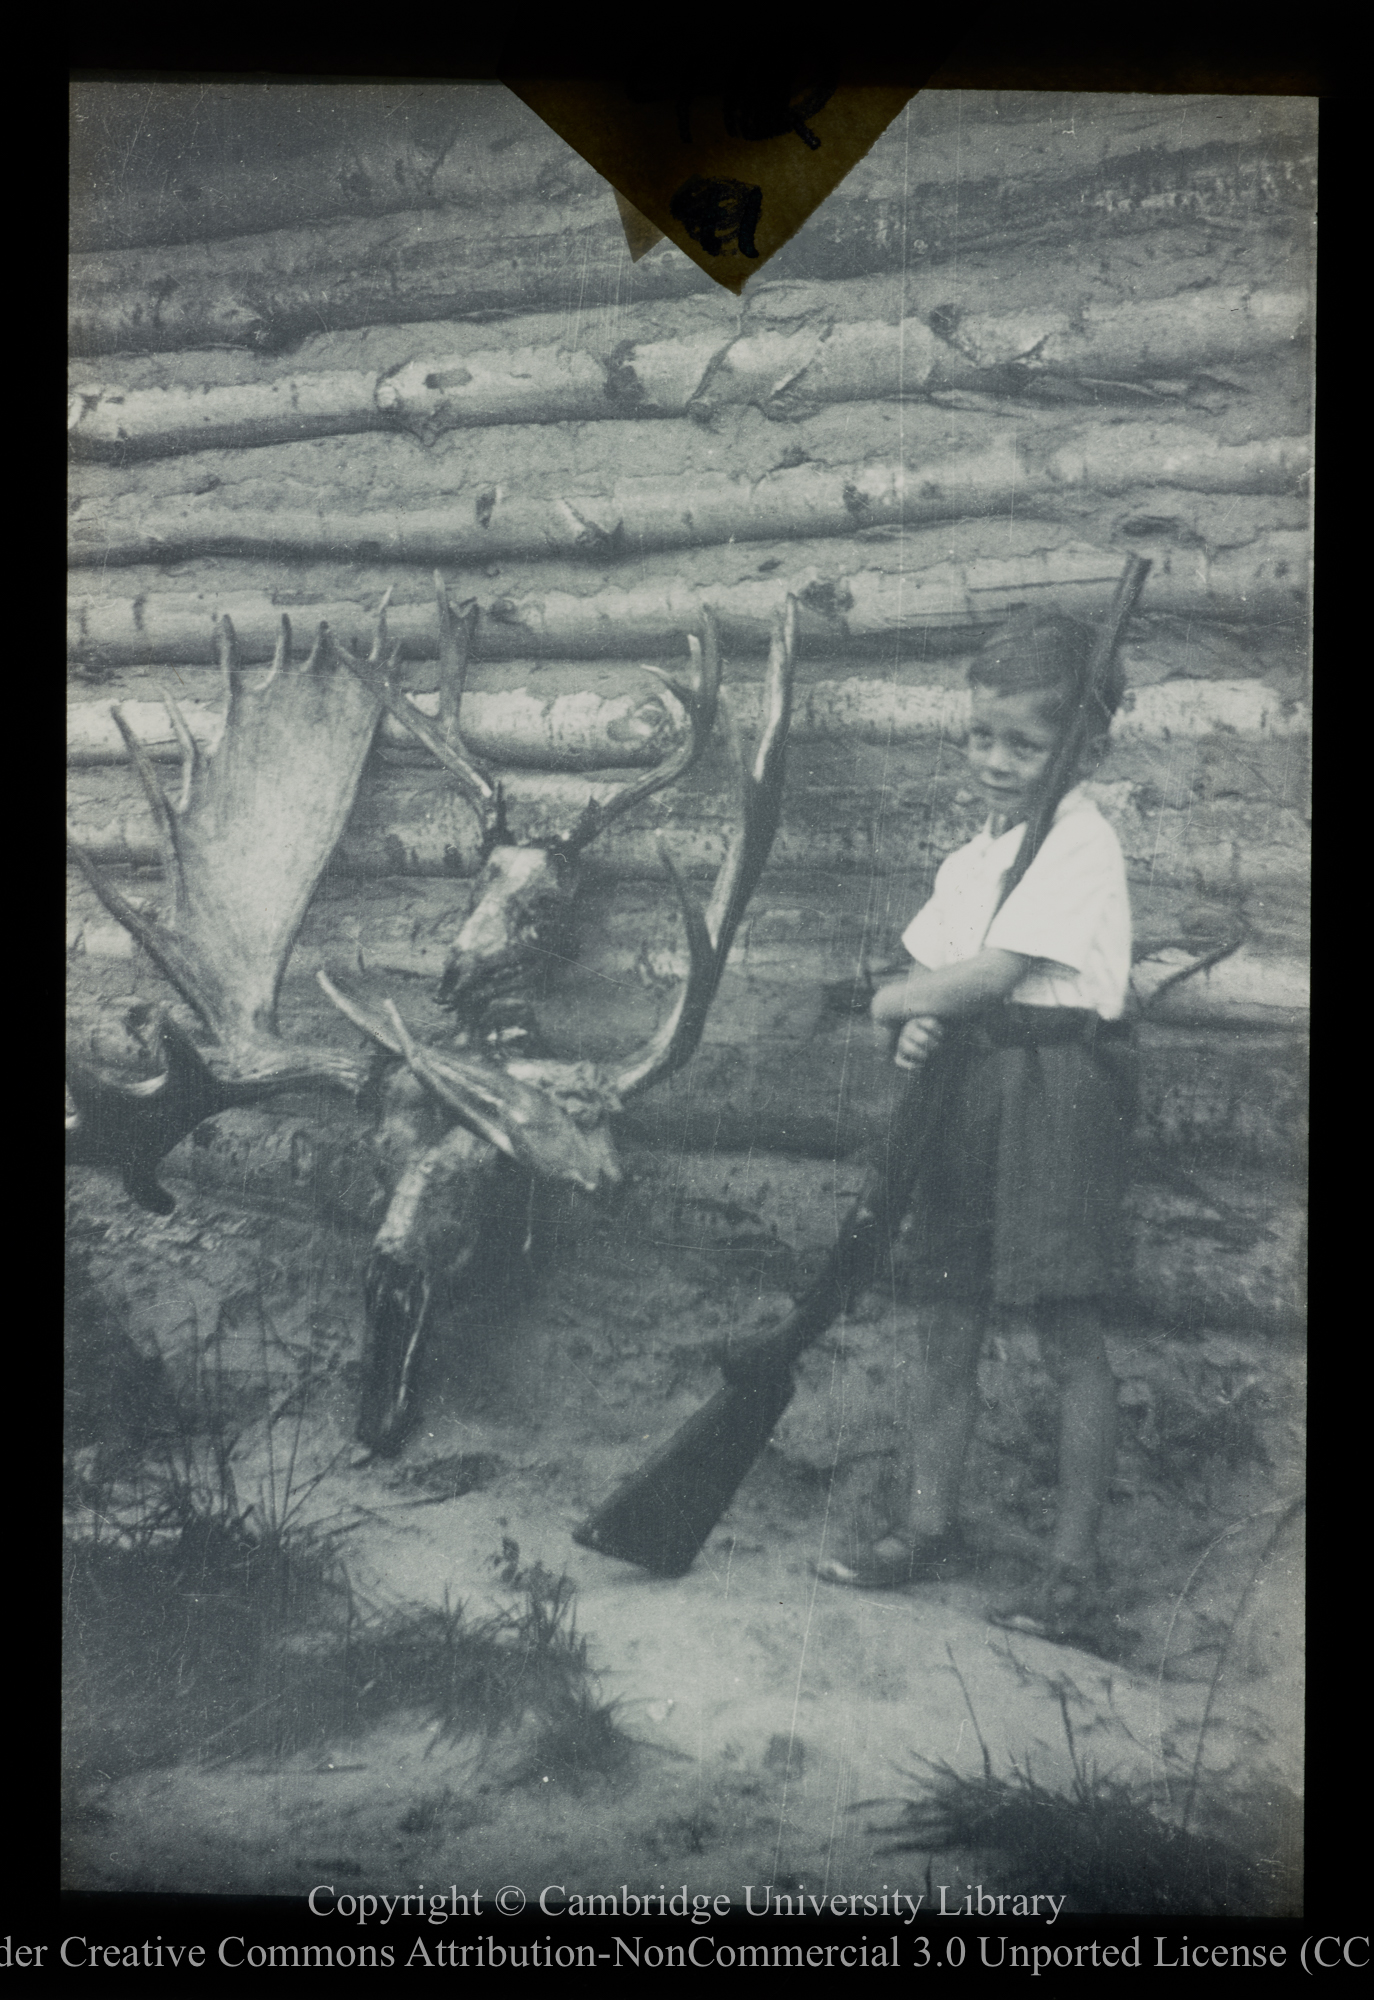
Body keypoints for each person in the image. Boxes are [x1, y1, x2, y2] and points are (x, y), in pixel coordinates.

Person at [816, 613, 1136, 1648]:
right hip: (964, 1095)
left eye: (1024, 745)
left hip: (1053, 1092)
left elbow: (995, 975)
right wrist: (910, 1026)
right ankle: (928, 1523)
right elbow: (939, 984)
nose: (995, 761)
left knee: (1064, 1328)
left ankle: (1075, 1569)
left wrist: (897, 1001)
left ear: (1078, 748)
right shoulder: (973, 862)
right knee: (944, 1315)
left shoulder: (1082, 841)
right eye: (980, 737)